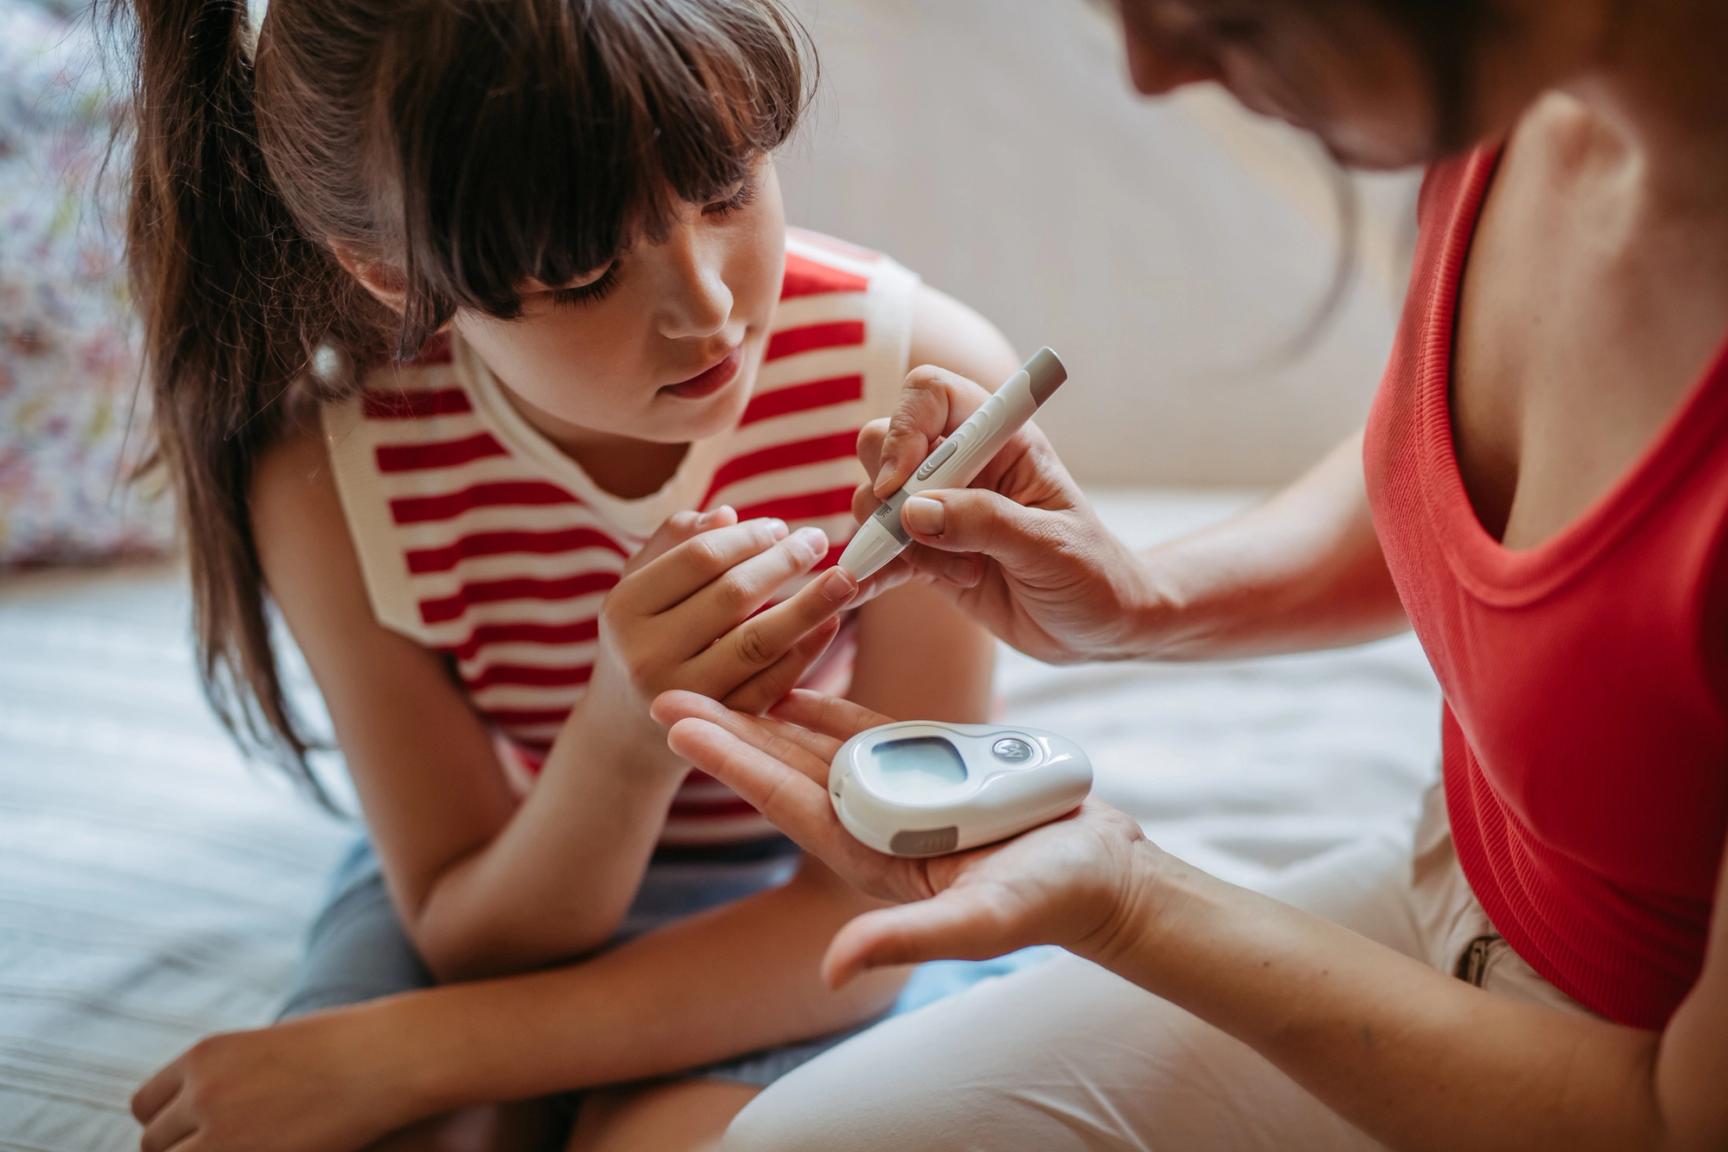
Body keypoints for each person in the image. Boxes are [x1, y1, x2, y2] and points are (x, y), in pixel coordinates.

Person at [651, 0, 1728, 1148]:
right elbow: (1471, 479)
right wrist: (1136, 602)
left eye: (1216, 12)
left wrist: (1130, 902)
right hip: (1449, 874)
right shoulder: (1516, 97)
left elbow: (1679, 1122)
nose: (1152, 73)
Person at [114, 1, 1028, 1149]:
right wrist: (623, 738)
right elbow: (470, 933)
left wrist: (401, 1055)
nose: (708, 308)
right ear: (389, 273)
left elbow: (885, 896)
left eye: (726, 192)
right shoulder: (336, 475)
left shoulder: (914, 383)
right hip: (513, 877)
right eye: (588, 273)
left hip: (801, 917)